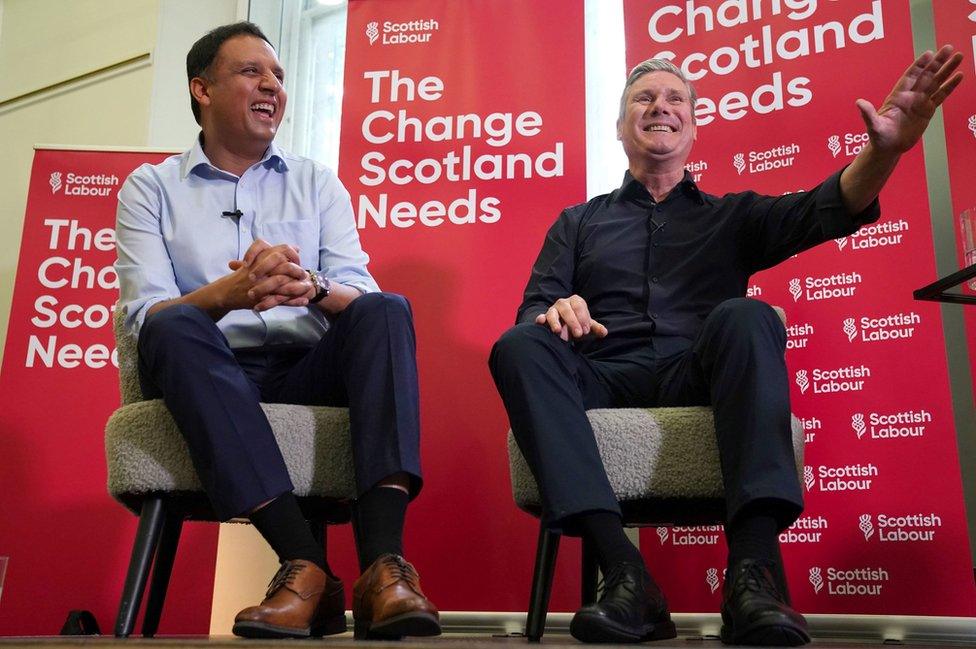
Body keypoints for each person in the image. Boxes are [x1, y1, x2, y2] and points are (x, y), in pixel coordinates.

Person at [490, 48, 962, 645]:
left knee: (747, 316)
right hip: (603, 375)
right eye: (644, 97)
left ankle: (752, 575)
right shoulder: (577, 223)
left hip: (700, 373)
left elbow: (829, 206)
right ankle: (627, 573)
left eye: (675, 98)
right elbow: (536, 305)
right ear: (619, 126)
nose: (660, 105)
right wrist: (552, 312)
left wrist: (885, 149)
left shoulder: (733, 215)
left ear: (693, 125)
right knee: (520, 346)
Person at [114, 22, 440, 641]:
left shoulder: (316, 181)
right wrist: (227, 296)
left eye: (280, 76)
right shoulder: (150, 188)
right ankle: (305, 564)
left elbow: (360, 291)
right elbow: (143, 313)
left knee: (386, 309)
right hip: (210, 367)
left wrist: (311, 287)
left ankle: (383, 570)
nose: (272, 86)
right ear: (201, 89)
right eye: (250, 72)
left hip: (306, 366)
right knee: (174, 323)